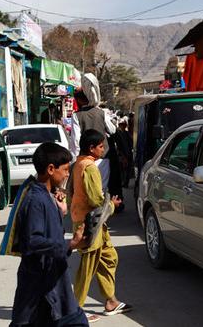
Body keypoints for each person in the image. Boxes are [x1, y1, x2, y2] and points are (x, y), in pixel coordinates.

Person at [9, 142, 88, 327]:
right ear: (51, 169)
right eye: (65, 169)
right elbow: (33, 241)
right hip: (40, 282)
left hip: (51, 280)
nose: (68, 174)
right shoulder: (36, 200)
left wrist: (60, 210)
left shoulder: (46, 195)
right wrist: (70, 244)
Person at [70, 129, 131, 321]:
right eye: (101, 146)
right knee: (87, 267)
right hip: (89, 223)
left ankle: (111, 301)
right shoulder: (89, 167)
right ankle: (75, 309)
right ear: (91, 148)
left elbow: (71, 191)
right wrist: (111, 204)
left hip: (92, 221)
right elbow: (96, 199)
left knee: (109, 257)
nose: (103, 150)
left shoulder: (78, 164)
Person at [69, 74, 118, 197]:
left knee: (87, 190)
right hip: (103, 158)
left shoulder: (76, 116)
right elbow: (112, 130)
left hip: (85, 159)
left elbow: (75, 141)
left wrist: (75, 161)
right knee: (101, 190)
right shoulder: (102, 113)